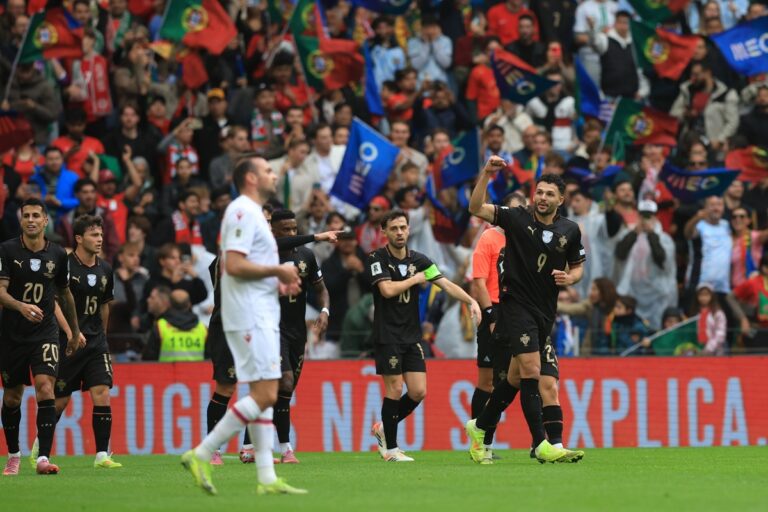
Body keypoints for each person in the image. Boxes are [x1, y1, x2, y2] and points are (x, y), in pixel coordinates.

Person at [181, 156, 307, 496]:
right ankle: (203, 452)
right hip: (249, 316)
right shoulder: (241, 211)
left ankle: (266, 477)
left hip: (260, 311)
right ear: (251, 178)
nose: (273, 173)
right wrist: (278, 272)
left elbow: (249, 266)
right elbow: (233, 265)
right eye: (267, 170)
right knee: (267, 393)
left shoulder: (254, 215)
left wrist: (276, 283)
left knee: (262, 395)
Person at [466, 158, 585, 464]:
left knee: (517, 378)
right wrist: (487, 174)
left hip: (544, 311)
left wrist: (570, 278)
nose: (542, 197)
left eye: (549, 194)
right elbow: (475, 207)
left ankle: (479, 426)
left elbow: (578, 267)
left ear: (561, 200)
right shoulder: (517, 218)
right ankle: (541, 443)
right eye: (539, 192)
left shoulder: (570, 230)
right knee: (533, 370)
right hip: (514, 306)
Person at [367, 210, 481, 462]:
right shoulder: (377, 258)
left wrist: (471, 299)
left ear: (409, 230)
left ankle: (384, 428)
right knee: (395, 388)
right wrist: (414, 279)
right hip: (388, 335)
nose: (399, 232)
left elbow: (446, 284)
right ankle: (391, 450)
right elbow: (386, 290)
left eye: (403, 228)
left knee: (418, 392)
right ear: (384, 232)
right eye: (394, 228)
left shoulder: (420, 260)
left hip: (411, 336)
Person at [0, 198, 81, 475]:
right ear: (21, 221)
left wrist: (74, 331)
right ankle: (13, 454)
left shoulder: (58, 254)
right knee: (12, 397)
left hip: (45, 332)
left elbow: (65, 294)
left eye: (36, 215)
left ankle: (43, 457)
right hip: (12, 335)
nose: (31, 219)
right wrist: (20, 306)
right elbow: (0, 292)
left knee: (46, 386)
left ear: (46, 221)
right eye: (26, 216)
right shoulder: (7, 250)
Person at [38, 214, 121, 468]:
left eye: (100, 234)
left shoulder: (106, 269)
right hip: (68, 343)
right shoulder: (65, 265)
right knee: (60, 401)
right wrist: (72, 332)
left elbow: (105, 307)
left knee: (102, 392)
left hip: (95, 344)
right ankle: (40, 449)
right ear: (78, 238)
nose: (99, 239)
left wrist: (102, 338)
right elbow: (54, 302)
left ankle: (101, 456)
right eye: (94, 235)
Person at [269, 209, 330, 463]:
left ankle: (252, 443)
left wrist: (325, 310)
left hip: (298, 333)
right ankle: (286, 448)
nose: (292, 234)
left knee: (285, 391)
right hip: (272, 330)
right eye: (286, 230)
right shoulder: (265, 255)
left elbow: (321, 289)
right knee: (283, 382)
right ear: (273, 231)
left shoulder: (306, 256)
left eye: (295, 229)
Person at [469, 192, 525, 455]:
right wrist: (489, 315)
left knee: (511, 378)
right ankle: (482, 442)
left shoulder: (525, 238)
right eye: (514, 210)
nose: (518, 215)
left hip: (518, 311)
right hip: (494, 310)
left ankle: (487, 438)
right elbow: (479, 280)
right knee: (488, 380)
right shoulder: (490, 237)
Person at [143, 289, 207, 361]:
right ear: (189, 305)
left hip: (166, 372)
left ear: (169, 304)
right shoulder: (202, 329)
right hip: (196, 372)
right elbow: (210, 359)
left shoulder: (160, 327)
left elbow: (149, 359)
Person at [691, 283, 727, 356]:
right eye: (701, 295)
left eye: (706, 295)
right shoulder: (695, 312)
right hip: (697, 349)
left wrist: (709, 348)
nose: (703, 298)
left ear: (712, 296)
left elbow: (720, 334)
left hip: (714, 351)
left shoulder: (718, 313)